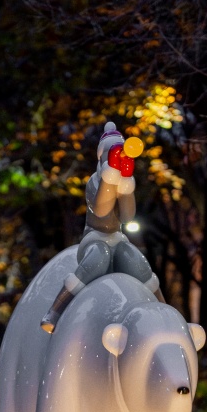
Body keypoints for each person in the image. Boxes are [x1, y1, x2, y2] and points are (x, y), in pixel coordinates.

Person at [40, 121, 163, 334]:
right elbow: (101, 210)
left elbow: (126, 216)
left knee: (136, 262)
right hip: (94, 237)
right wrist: (110, 179)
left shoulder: (124, 181)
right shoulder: (94, 182)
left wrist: (125, 187)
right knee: (99, 259)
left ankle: (165, 311)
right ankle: (56, 310)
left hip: (117, 237)